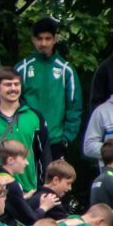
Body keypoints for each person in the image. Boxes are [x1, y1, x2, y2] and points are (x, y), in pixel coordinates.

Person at [15, 18, 82, 161]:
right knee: (30, 183)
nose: (43, 43)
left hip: (56, 142)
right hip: (27, 139)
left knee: (55, 182)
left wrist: (66, 138)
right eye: (39, 39)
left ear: (55, 39)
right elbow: (13, 104)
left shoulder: (66, 70)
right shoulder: (22, 68)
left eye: (48, 38)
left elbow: (74, 107)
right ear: (33, 40)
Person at [0, 67, 48, 187]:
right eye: (8, 84)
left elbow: (44, 154)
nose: (13, 88)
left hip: (28, 189)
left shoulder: (35, 117)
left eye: (17, 84)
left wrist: (43, 187)